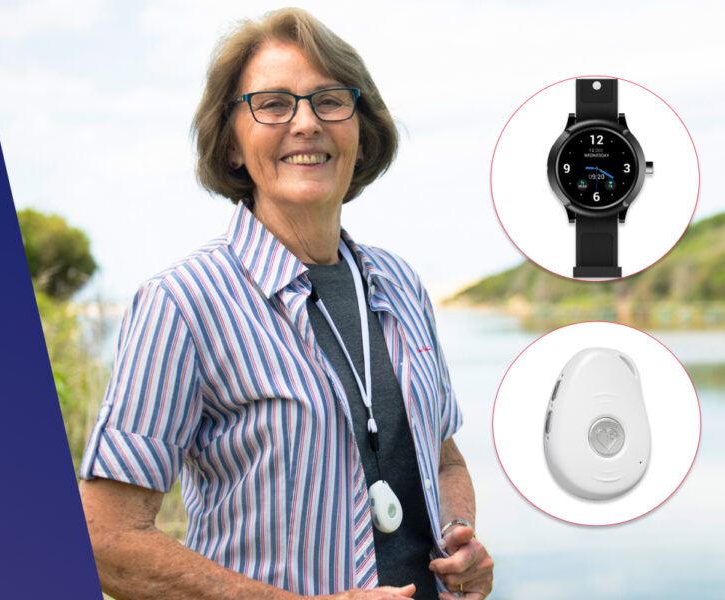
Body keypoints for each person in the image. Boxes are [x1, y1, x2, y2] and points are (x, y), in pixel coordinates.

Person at [77, 8, 492, 600]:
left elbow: (444, 458)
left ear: (360, 129)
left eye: (329, 101)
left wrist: (460, 538)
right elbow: (106, 540)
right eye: (272, 104)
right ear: (233, 146)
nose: (306, 123)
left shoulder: (400, 283)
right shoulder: (182, 303)